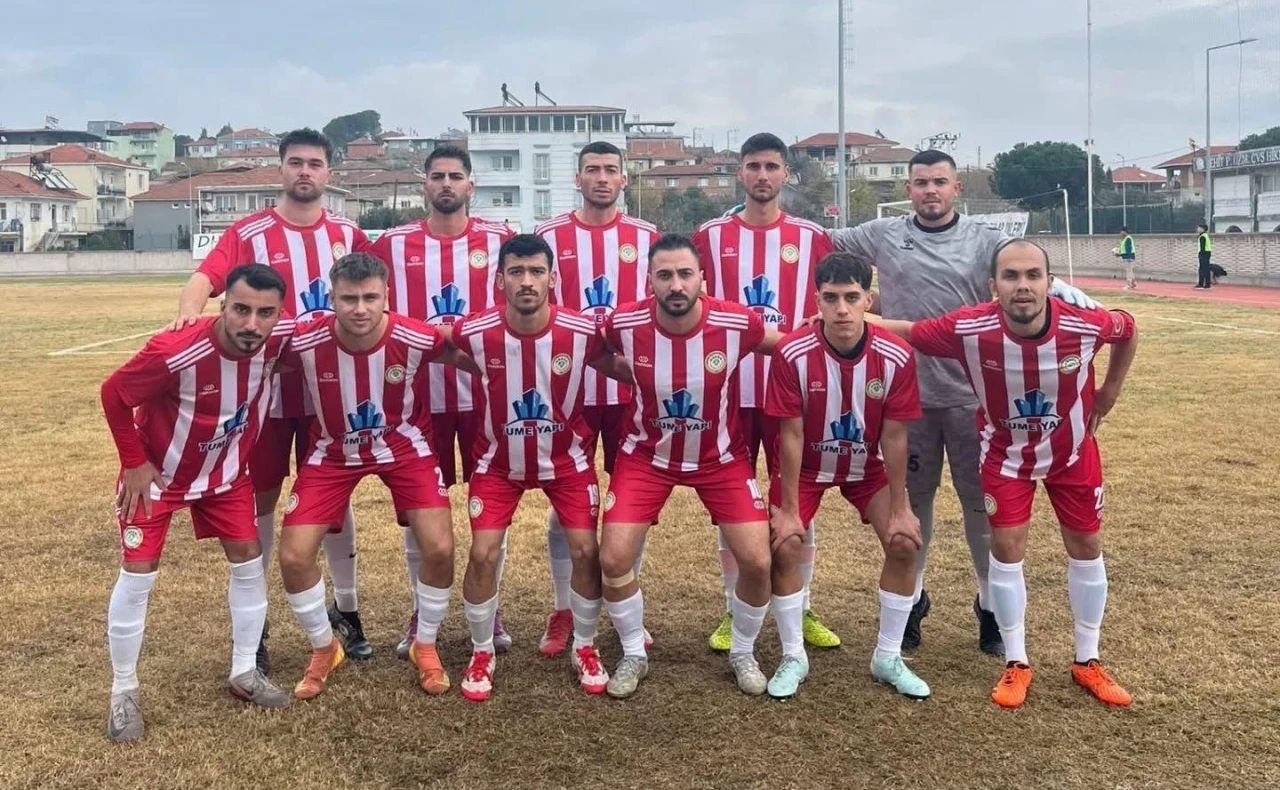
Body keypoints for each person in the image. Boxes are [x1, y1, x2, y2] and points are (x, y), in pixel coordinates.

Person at [830, 148, 1098, 655]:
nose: (930, 190)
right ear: (907, 190)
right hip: (907, 395)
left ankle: (990, 606)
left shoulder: (984, 238)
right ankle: (912, 599)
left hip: (976, 399)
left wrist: (1065, 289)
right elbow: (816, 241)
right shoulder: (881, 234)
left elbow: (1025, 267)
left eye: (939, 182)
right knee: (913, 502)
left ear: (956, 189)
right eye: (921, 182)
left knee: (981, 506)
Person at [873, 239, 1138, 709]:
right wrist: (855, 318)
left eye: (1033, 275)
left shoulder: (1084, 323)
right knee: (1007, 547)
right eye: (1011, 276)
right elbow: (911, 331)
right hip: (1005, 458)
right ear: (993, 285)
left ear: (1050, 283)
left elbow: (1128, 329)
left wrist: (1110, 392)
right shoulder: (971, 327)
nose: (1023, 286)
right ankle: (1016, 662)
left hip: (1073, 454)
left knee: (1086, 546)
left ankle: (1088, 660)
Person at [169, 128, 374, 668]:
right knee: (258, 500)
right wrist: (188, 320)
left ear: (329, 173)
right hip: (262, 396)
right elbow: (203, 279)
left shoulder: (350, 233)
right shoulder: (249, 232)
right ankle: (254, 626)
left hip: (331, 391)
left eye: (314, 164)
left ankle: (347, 609)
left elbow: (376, 300)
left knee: (334, 502)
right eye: (296, 162)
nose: (305, 171)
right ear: (281, 169)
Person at [101, 264, 295, 742]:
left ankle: (244, 671)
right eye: (241, 309)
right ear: (222, 305)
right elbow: (114, 394)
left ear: (279, 315)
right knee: (138, 574)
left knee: (249, 562)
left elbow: (334, 329)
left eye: (265, 313)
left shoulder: (279, 341)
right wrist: (133, 462)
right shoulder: (176, 350)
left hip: (225, 477)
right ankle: (123, 692)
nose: (252, 324)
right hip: (159, 479)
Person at [276, 253, 480, 701]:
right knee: (293, 556)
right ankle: (324, 647)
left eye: (370, 297)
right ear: (331, 298)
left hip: (404, 446)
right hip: (332, 451)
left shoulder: (413, 334)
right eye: (349, 299)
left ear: (386, 295)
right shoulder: (303, 341)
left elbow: (470, 352)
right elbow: (250, 357)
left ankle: (425, 644)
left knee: (440, 548)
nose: (360, 309)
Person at [597, 234, 784, 699]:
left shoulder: (736, 321)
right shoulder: (624, 322)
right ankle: (633, 652)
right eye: (664, 275)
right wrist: (631, 375)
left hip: (720, 458)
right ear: (649, 281)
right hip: (646, 456)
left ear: (702, 277)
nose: (675, 285)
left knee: (758, 562)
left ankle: (743, 651)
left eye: (684, 274)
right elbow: (594, 352)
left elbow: (785, 346)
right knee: (613, 558)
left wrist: (834, 332)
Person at [452, 234, 634, 701]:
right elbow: (428, 346)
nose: (527, 281)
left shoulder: (583, 331)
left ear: (553, 278)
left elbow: (632, 355)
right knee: (482, 554)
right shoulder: (474, 331)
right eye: (516, 272)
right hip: (497, 464)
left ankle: (585, 645)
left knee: (586, 551)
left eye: (536, 272)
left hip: (566, 461)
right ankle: (481, 650)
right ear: (500, 280)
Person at [692, 132, 841, 653]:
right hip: (727, 392)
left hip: (792, 392)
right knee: (733, 504)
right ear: (740, 173)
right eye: (753, 166)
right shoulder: (709, 236)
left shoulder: (812, 236)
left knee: (795, 499)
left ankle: (802, 603)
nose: (762, 175)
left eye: (771, 166)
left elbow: (833, 304)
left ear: (785, 175)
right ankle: (734, 607)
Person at [765, 251, 931, 701]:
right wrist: (789, 510)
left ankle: (888, 657)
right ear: (817, 301)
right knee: (785, 543)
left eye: (851, 297)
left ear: (868, 300)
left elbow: (895, 436)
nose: (841, 309)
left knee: (904, 542)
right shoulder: (791, 352)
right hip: (808, 467)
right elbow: (790, 434)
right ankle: (793, 656)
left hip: (866, 468)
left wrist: (900, 508)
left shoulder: (896, 355)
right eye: (831, 298)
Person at [370, 145, 515, 658]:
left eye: (456, 176)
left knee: (490, 504)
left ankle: (489, 607)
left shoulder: (500, 240)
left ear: (471, 185)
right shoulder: (392, 244)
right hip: (414, 399)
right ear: (424, 185)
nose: (447, 183)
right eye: (438, 176)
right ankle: (421, 610)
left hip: (486, 396)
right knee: (418, 511)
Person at [534, 140, 660, 657]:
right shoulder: (548, 236)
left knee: (635, 504)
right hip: (570, 391)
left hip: (633, 392)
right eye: (592, 170)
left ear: (624, 179)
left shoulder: (647, 237)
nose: (602, 178)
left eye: (611, 170)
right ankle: (564, 607)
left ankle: (625, 603)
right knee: (568, 504)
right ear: (578, 179)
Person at [1195, 223, 1214, 289]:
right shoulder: (1206, 235)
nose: (1197, 229)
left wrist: (1201, 255)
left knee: (1203, 269)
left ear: (1202, 229)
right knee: (1205, 269)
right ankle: (1206, 283)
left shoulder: (1202, 236)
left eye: (1199, 228)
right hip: (1207, 253)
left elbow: (1202, 247)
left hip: (1204, 254)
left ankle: (1202, 283)